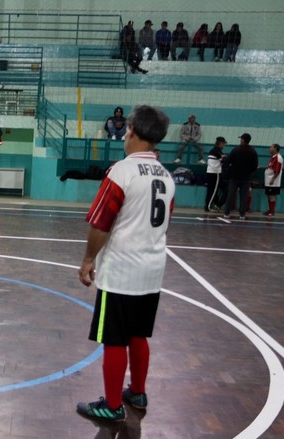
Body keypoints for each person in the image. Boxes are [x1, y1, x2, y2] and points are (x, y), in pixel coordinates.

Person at [76, 105, 174, 422]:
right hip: (152, 270)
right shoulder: (166, 176)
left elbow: (101, 223)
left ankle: (113, 404)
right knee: (138, 335)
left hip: (121, 270)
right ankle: (139, 392)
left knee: (114, 338)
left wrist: (89, 258)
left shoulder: (123, 171)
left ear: (131, 130)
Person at [224, 133, 259, 220]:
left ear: (243, 140)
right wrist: (249, 172)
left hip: (234, 177)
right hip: (246, 177)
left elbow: (227, 161)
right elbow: (255, 165)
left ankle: (227, 212)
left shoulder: (236, 150)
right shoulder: (253, 151)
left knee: (231, 195)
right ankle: (242, 214)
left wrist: (229, 169)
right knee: (244, 196)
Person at [204, 136, 227, 212]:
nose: (224, 145)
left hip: (210, 172)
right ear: (220, 143)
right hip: (215, 173)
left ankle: (214, 205)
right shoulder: (216, 151)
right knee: (213, 191)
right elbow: (223, 159)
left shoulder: (214, 150)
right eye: (223, 143)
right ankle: (209, 206)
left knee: (212, 190)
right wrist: (224, 157)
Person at [262, 144, 283, 217]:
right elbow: (271, 168)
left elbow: (277, 170)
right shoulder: (273, 157)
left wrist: (273, 179)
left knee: (271, 196)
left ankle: (271, 212)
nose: (269, 148)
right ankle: (270, 210)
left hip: (272, 181)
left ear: (275, 148)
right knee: (269, 195)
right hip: (269, 180)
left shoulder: (278, 157)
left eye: (271, 147)